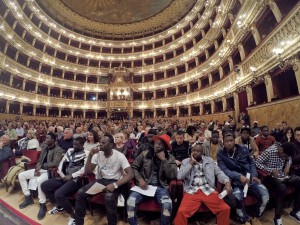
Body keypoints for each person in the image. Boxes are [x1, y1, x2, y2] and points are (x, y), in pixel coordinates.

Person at [74, 134, 134, 225]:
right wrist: (90, 156)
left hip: (115, 181)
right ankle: (78, 222)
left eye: (103, 142)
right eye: (100, 142)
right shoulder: (97, 155)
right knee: (80, 193)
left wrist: (114, 185)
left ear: (111, 145)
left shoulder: (119, 156)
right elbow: (87, 172)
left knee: (108, 197)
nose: (100, 144)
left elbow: (130, 174)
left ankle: (112, 222)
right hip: (102, 180)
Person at [218, 132, 269, 225]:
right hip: (235, 181)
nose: (229, 143)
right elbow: (224, 170)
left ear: (235, 141)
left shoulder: (243, 149)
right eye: (226, 141)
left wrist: (254, 175)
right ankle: (244, 219)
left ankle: (255, 216)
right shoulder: (221, 154)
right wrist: (238, 176)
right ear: (223, 142)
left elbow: (252, 163)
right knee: (237, 199)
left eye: (231, 140)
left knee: (265, 196)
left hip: (250, 178)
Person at [174, 143, 232, 225]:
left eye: (198, 151)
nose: (195, 152)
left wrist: (227, 181)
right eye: (193, 150)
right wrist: (191, 164)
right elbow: (179, 177)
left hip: (208, 189)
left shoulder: (209, 161)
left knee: (225, 209)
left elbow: (219, 173)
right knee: (181, 212)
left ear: (202, 153)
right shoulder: (186, 161)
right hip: (192, 190)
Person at [127, 134, 177, 225]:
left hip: (161, 187)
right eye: (156, 143)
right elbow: (133, 167)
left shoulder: (170, 158)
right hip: (144, 186)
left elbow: (172, 176)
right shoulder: (145, 154)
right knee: (130, 202)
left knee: (167, 206)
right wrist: (140, 179)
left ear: (165, 147)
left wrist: (164, 160)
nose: (157, 146)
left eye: (160, 144)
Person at [18, 133, 63, 220]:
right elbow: (39, 160)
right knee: (21, 175)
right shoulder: (45, 148)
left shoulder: (58, 149)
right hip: (40, 169)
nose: (46, 139)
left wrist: (41, 167)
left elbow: (55, 163)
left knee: (39, 181)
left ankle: (43, 204)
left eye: (48, 138)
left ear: (54, 140)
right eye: (46, 138)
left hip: (49, 171)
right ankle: (28, 198)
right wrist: (37, 169)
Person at [41, 137, 87, 221]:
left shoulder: (86, 153)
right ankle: (59, 206)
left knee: (58, 194)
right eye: (73, 144)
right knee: (44, 185)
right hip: (64, 177)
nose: (74, 146)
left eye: (76, 145)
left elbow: (85, 169)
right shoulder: (70, 150)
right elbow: (62, 162)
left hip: (76, 180)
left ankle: (73, 216)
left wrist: (72, 176)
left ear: (82, 144)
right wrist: (60, 172)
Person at [255, 142, 300, 225]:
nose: (285, 158)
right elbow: (257, 163)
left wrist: (288, 165)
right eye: (285, 156)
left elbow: (289, 157)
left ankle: (295, 211)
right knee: (282, 187)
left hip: (281, 175)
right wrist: (270, 170)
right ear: (281, 150)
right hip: (269, 177)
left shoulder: (285, 149)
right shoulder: (270, 151)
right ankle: (277, 218)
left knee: (298, 181)